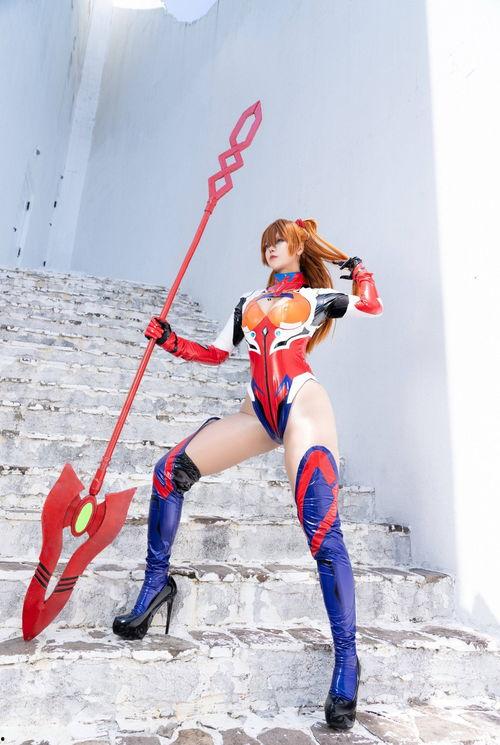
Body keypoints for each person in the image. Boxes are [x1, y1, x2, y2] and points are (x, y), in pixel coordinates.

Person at [112, 217, 383, 731]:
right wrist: (170, 340)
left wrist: (359, 270)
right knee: (168, 473)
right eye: (266, 243)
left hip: (301, 405)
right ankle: (155, 586)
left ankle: (347, 661)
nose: (271, 249)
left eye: (279, 241)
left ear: (299, 247)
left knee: (323, 533)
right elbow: (216, 354)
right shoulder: (247, 302)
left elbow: (370, 305)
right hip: (257, 411)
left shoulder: (318, 299)